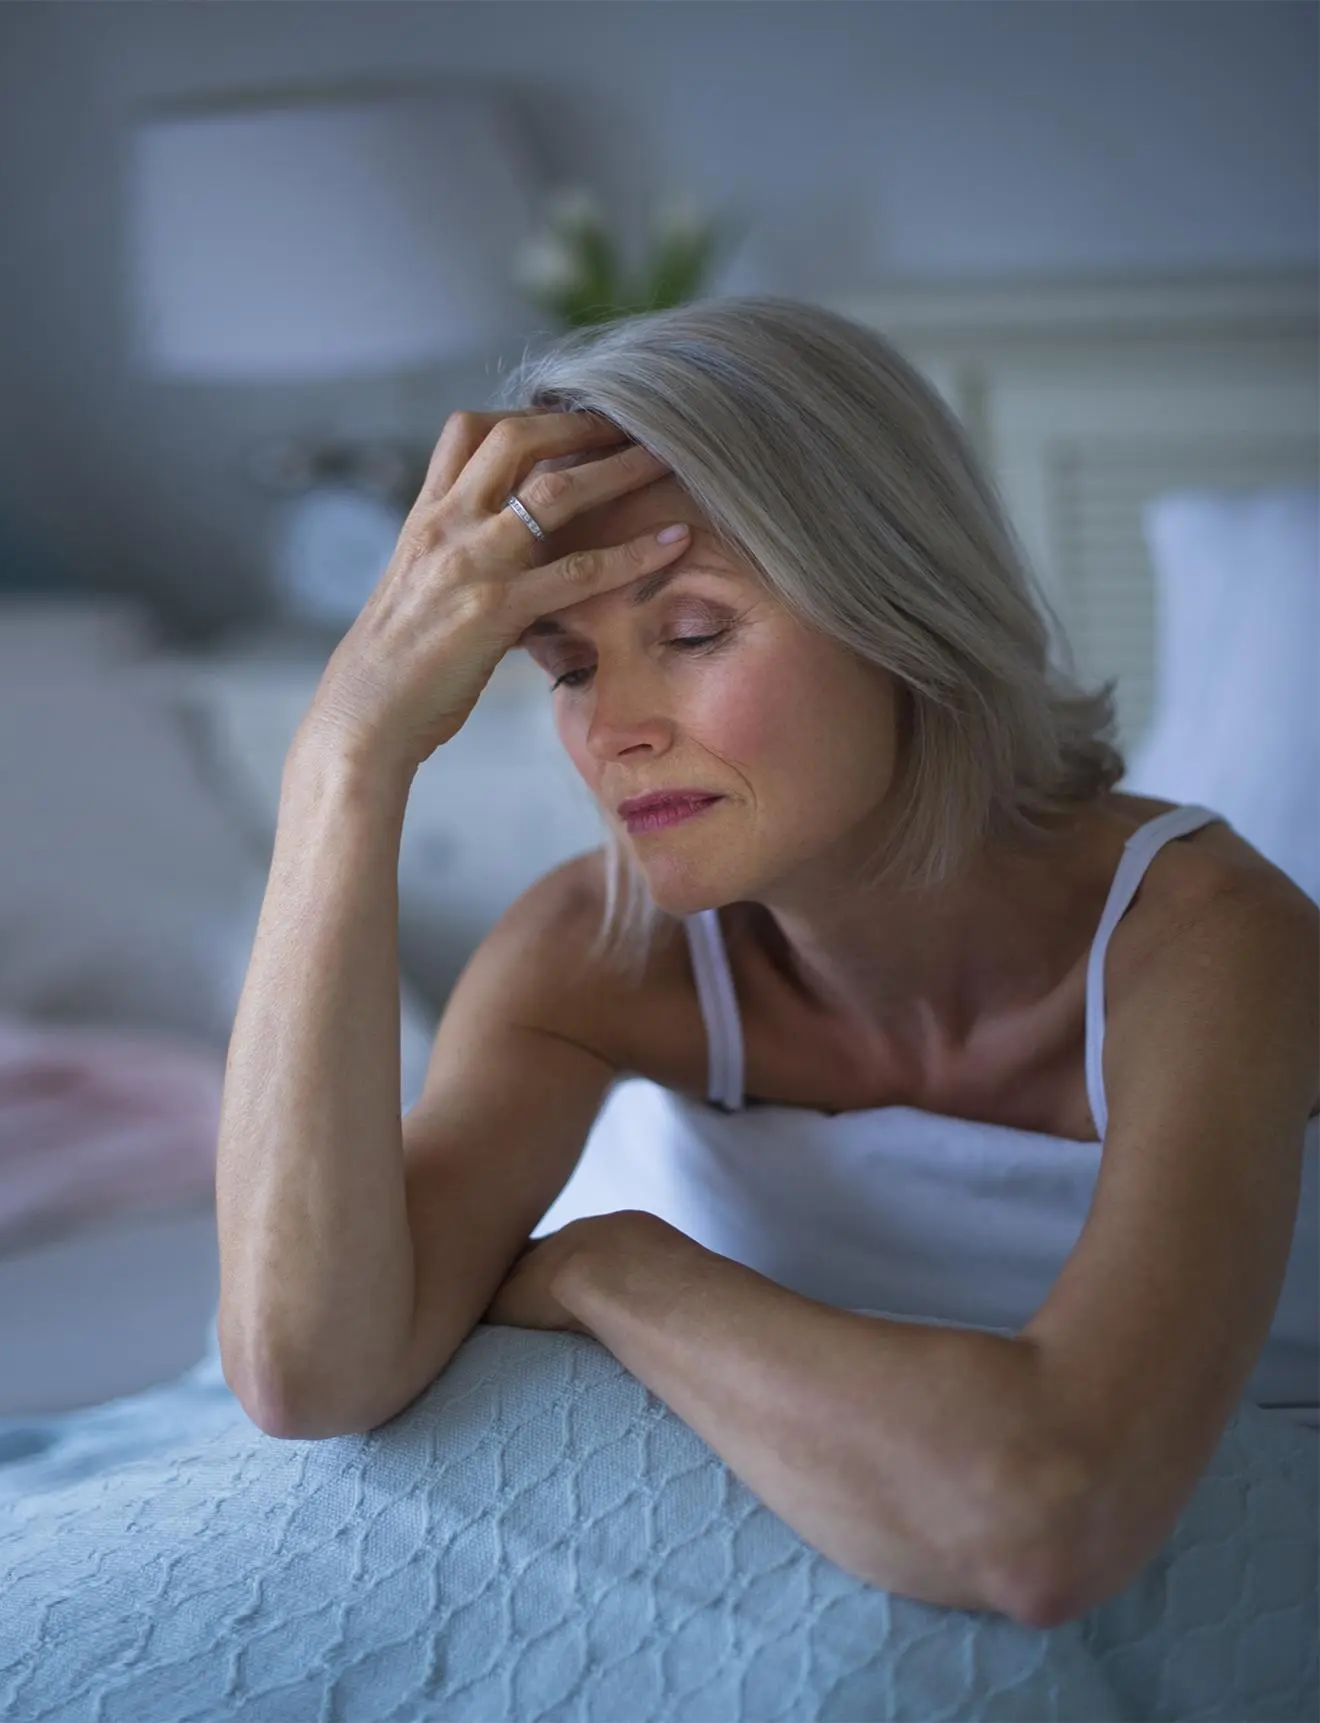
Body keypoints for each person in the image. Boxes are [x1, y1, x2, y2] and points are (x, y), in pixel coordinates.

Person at [213, 297, 1318, 1629]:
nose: (614, 729)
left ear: (899, 611)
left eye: (690, 634)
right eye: (567, 666)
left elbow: (1046, 1521)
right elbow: (306, 1371)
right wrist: (344, 755)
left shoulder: (1213, 942)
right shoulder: (593, 950)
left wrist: (604, 1264)